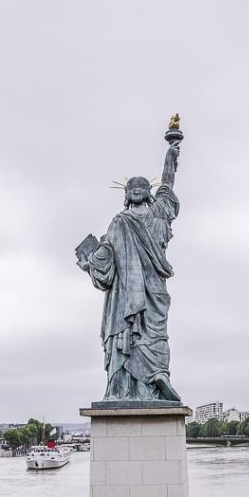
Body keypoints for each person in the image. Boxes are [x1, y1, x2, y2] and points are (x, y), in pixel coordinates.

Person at [78, 141, 182, 402]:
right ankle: (157, 375)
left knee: (127, 333)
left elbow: (104, 263)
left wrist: (89, 263)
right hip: (154, 292)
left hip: (125, 300)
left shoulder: (118, 223)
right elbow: (167, 186)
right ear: (149, 194)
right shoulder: (158, 215)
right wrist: (170, 157)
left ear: (127, 195)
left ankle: (122, 388)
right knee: (156, 334)